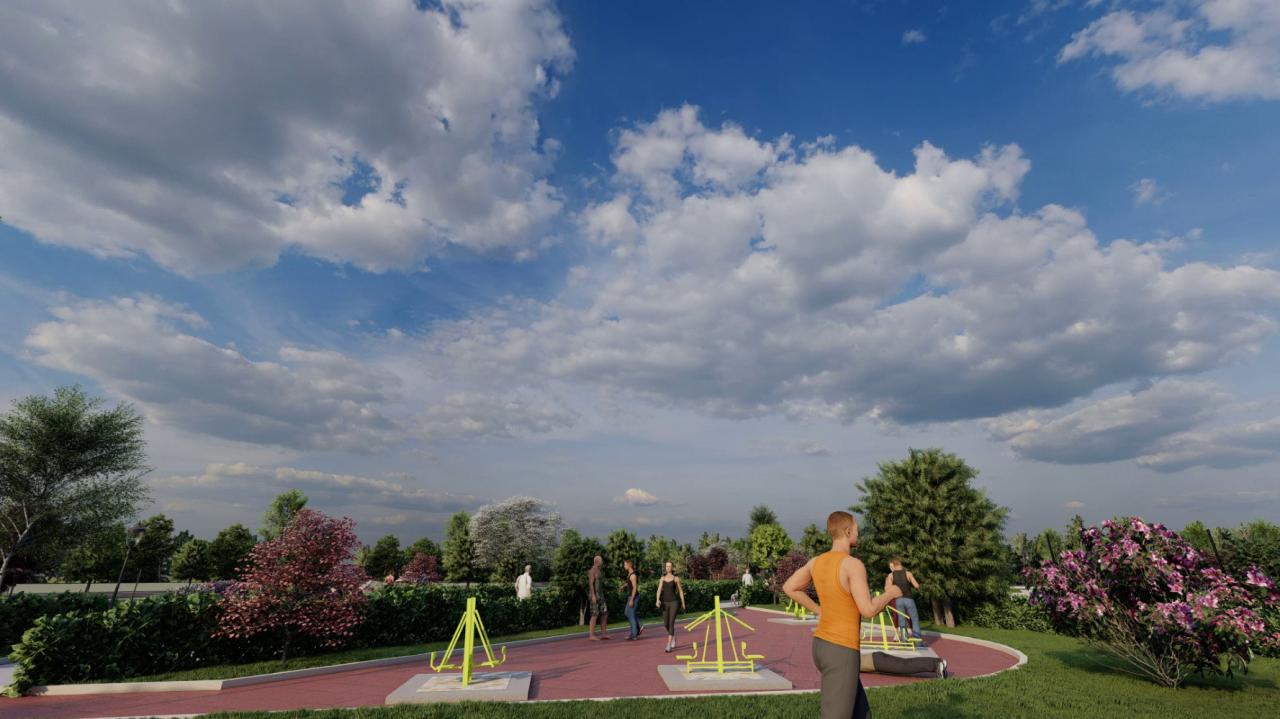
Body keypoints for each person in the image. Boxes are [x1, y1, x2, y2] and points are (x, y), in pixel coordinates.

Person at [784, 511, 902, 719]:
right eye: (856, 529)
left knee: (861, 714)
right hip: (841, 650)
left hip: (821, 646)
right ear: (848, 531)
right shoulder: (852, 565)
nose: (858, 533)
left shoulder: (816, 562)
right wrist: (891, 593)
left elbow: (789, 587)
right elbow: (868, 610)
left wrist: (819, 610)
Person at [885, 558, 922, 639]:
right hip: (909, 599)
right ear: (900, 564)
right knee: (914, 619)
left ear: (894, 566)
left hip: (898, 600)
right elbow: (917, 586)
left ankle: (904, 640)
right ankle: (918, 640)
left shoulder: (891, 575)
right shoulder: (908, 573)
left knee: (901, 620)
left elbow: (888, 589)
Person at [654, 560, 686, 653]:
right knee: (666, 624)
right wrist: (657, 600)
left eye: (669, 566)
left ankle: (668, 645)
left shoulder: (676, 579)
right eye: (666, 566)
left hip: (674, 603)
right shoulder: (662, 578)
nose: (667, 568)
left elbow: (680, 591)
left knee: (671, 623)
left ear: (672, 568)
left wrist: (683, 602)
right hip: (665, 603)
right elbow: (659, 590)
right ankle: (673, 636)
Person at [587, 555, 610, 641]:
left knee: (604, 613)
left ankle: (603, 634)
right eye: (601, 560)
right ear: (597, 561)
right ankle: (591, 635)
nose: (602, 562)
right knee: (594, 614)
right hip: (595, 595)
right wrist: (593, 595)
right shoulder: (592, 571)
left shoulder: (599, 570)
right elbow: (590, 584)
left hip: (601, 595)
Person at [623, 559, 642, 640]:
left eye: (625, 564)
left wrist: (632, 600)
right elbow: (630, 584)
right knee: (627, 613)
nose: (624, 566)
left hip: (633, 597)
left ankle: (634, 634)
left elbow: (634, 588)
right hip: (630, 596)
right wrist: (624, 586)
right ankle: (639, 625)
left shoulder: (633, 575)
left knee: (631, 615)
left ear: (629, 565)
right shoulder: (629, 574)